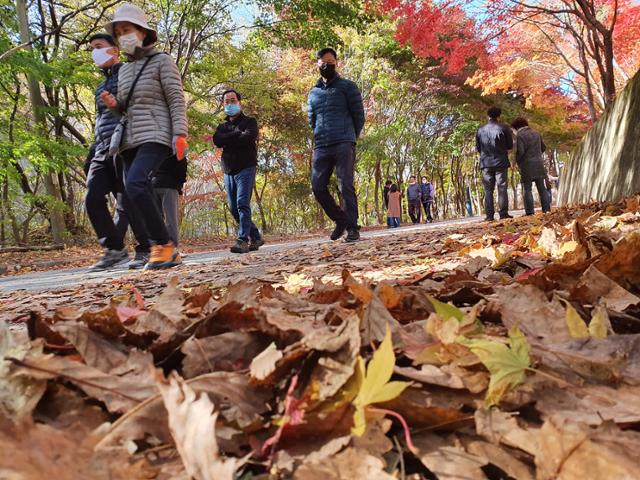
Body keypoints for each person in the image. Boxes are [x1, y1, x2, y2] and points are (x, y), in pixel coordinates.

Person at [102, 3, 188, 269]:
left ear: (142, 32)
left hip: (157, 133)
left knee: (136, 183)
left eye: (127, 29)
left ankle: (164, 246)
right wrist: (114, 105)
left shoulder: (162, 61)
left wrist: (180, 133)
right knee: (133, 191)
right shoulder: (124, 70)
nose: (122, 36)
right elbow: (126, 109)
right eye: (118, 32)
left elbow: (175, 98)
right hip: (130, 139)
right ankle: (158, 247)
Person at [84, 33, 150, 271]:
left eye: (99, 47)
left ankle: (145, 249)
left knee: (130, 201)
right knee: (92, 198)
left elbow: (138, 109)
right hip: (102, 148)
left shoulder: (127, 74)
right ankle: (114, 248)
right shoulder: (99, 86)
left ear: (114, 50)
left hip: (125, 145)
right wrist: (93, 149)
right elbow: (100, 119)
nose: (95, 52)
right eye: (92, 49)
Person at [307, 47, 365, 242]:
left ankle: (352, 228)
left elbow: (359, 116)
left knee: (345, 184)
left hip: (343, 142)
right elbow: (311, 119)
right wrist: (318, 135)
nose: (326, 65)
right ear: (317, 64)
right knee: (317, 186)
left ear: (336, 63)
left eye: (330, 62)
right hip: (321, 144)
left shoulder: (348, 87)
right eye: (323, 63)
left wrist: (351, 137)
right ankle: (341, 220)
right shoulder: (313, 93)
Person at [213, 89, 264, 253]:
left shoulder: (250, 121)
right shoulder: (222, 126)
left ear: (239, 102)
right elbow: (217, 140)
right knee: (234, 208)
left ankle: (242, 240)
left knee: (242, 203)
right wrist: (236, 133)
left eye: (232, 100)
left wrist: (230, 137)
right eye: (226, 101)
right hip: (228, 170)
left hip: (246, 167)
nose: (229, 103)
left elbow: (248, 137)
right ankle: (256, 236)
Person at [476, 106, 513, 221]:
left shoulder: (480, 130)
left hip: (486, 163)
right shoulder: (504, 128)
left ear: (488, 116)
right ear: (499, 116)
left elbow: (478, 148)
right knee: (502, 187)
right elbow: (510, 146)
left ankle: (489, 216)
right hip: (501, 161)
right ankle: (503, 213)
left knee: (488, 190)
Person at [511, 117, 551, 215]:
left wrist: (517, 162)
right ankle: (546, 210)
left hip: (526, 165)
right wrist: (537, 155)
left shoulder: (520, 135)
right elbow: (543, 147)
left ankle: (530, 212)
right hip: (539, 163)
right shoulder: (536, 133)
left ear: (516, 127)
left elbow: (521, 151)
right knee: (541, 188)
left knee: (527, 188)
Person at [152, 154, 187, 249]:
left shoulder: (153, 146)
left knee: (155, 219)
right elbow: (182, 167)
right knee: (171, 218)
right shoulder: (176, 145)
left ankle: (157, 247)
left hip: (153, 184)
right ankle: (172, 249)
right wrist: (179, 184)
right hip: (169, 185)